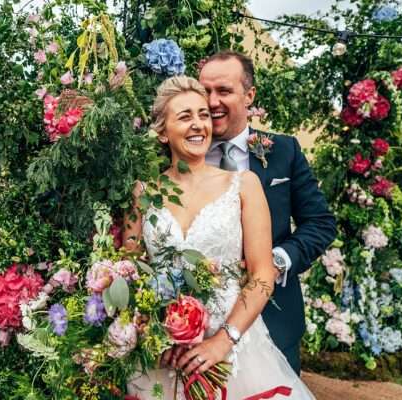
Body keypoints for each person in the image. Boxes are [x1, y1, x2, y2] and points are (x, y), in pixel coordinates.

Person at [123, 76, 315, 399]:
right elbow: (130, 273)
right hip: (165, 358)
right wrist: (153, 334)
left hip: (236, 353)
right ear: (161, 131)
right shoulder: (143, 193)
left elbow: (263, 273)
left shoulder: (244, 185)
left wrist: (223, 340)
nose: (199, 125)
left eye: (203, 115)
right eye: (185, 117)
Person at [199, 51, 337, 374]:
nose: (212, 101)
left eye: (224, 91)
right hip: (201, 325)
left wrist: (277, 261)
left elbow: (320, 223)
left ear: (249, 96)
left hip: (274, 322)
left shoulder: (284, 152)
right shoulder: (184, 153)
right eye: (205, 90)